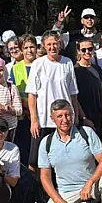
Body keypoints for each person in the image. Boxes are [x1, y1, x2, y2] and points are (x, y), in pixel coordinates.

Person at [26, 32, 82, 168]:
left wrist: (75, 116)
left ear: (60, 44)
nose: (52, 47)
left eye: (55, 44)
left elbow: (73, 93)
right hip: (44, 120)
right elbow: (32, 94)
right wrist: (34, 119)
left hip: (64, 120)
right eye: (49, 44)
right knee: (35, 160)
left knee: (62, 159)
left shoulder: (67, 62)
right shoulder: (38, 64)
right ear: (44, 46)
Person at [72, 39, 102, 138]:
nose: (87, 52)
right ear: (79, 51)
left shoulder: (97, 69)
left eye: (90, 49)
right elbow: (74, 97)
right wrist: (83, 117)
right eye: (83, 50)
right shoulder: (74, 70)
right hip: (83, 118)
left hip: (98, 117)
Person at [12, 34, 38, 152]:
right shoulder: (15, 68)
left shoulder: (42, 64)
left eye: (31, 47)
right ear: (21, 50)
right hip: (23, 115)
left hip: (40, 113)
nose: (29, 50)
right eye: (26, 48)